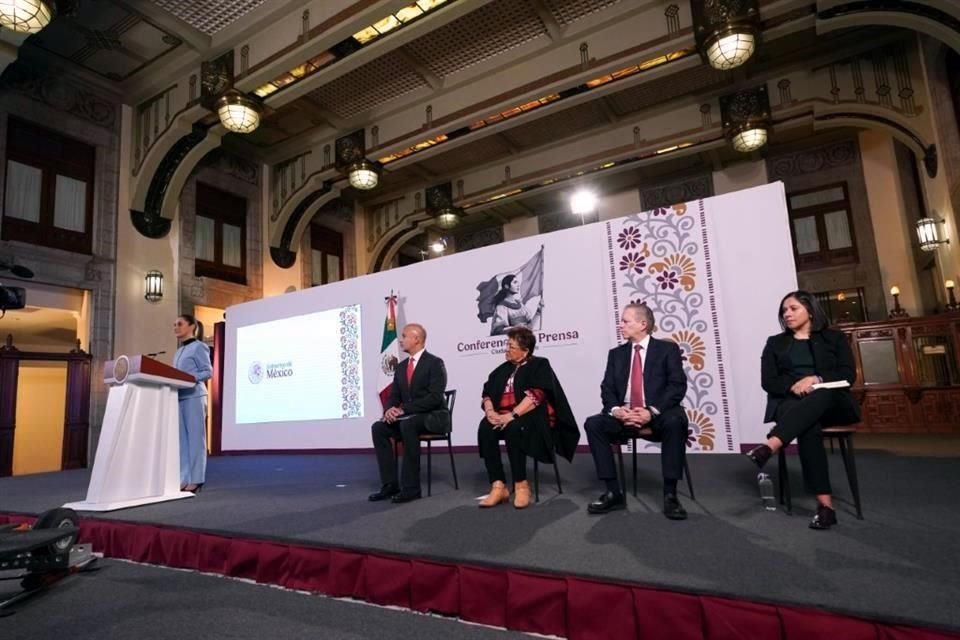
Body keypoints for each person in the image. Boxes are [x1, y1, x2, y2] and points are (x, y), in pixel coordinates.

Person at [746, 290, 860, 530]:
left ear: (810, 310)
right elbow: (769, 381)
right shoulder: (775, 343)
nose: (787, 314)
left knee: (822, 394)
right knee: (809, 426)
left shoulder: (833, 338)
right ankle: (826, 508)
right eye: (784, 310)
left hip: (833, 402)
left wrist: (815, 379)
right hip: (792, 402)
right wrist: (794, 386)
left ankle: (771, 446)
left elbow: (848, 375)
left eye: (793, 308)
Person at [584, 303, 689, 520]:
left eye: (625, 321)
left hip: (657, 415)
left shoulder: (667, 350)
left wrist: (651, 411)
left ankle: (670, 495)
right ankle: (613, 492)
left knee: (675, 422)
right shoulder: (616, 354)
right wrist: (616, 411)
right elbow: (608, 388)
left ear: (643, 324)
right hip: (625, 414)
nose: (620, 325)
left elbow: (677, 386)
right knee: (593, 424)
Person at [477, 327, 579, 508]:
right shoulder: (502, 369)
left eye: (511, 346)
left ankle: (521, 484)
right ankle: (498, 485)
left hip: (531, 415)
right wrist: (490, 412)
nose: (506, 349)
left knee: (514, 428)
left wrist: (511, 415)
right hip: (502, 415)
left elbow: (536, 396)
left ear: (525, 351)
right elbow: (487, 393)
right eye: (507, 345)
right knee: (485, 428)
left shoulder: (540, 365)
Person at [369, 324, 449, 503]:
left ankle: (411, 488)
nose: (401, 340)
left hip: (433, 417)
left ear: (417, 339)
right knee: (379, 428)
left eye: (404, 336)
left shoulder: (435, 363)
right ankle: (390, 484)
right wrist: (389, 409)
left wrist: (404, 409)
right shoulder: (401, 366)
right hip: (409, 418)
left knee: (408, 424)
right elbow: (394, 395)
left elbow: (435, 398)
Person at [173, 314, 212, 493]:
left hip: (195, 397)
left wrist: (189, 378)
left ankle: (196, 479)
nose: (176, 327)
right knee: (182, 441)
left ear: (191, 326)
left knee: (196, 439)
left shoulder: (199, 347)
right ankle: (184, 478)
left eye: (179, 324)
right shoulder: (178, 352)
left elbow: (207, 371)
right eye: (174, 325)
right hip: (179, 396)